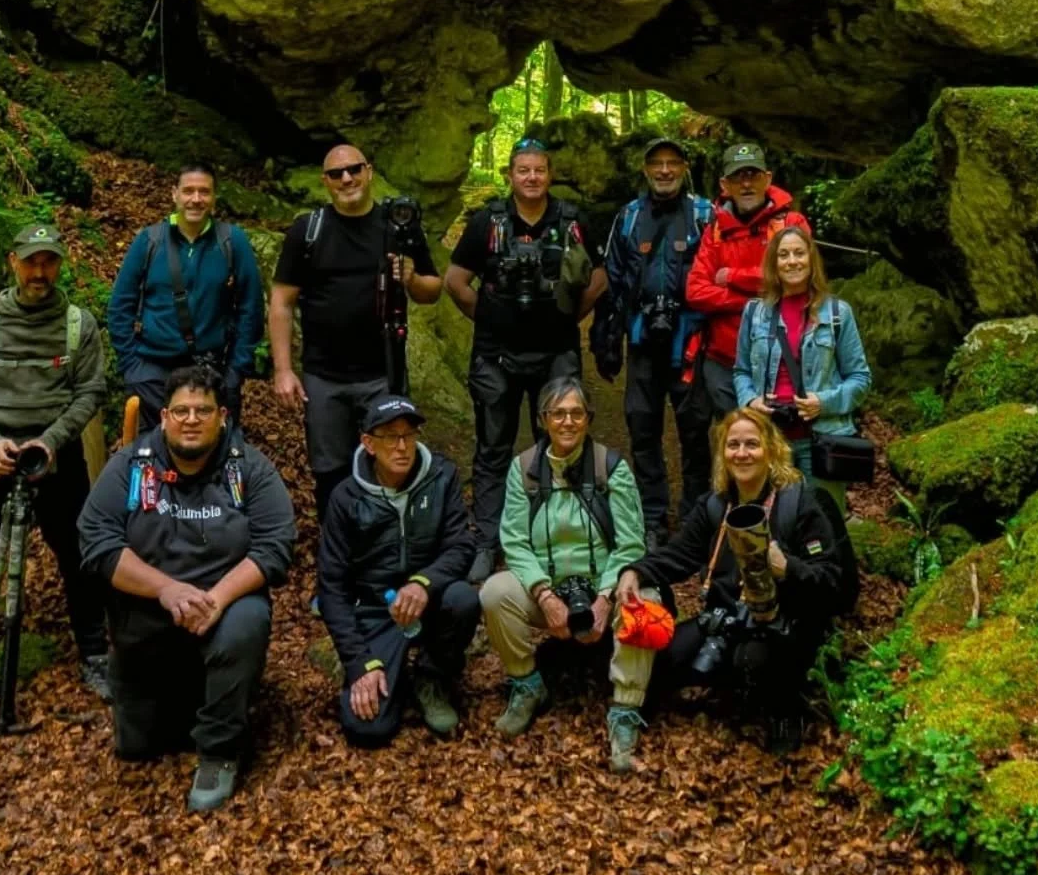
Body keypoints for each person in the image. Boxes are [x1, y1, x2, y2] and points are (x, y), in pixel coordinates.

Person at [77, 365, 296, 812]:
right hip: (148, 611)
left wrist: (216, 598)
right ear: (163, 417)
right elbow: (96, 540)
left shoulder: (248, 469)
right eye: (181, 411)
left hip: (223, 607)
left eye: (202, 410)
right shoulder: (131, 466)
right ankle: (182, 705)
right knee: (138, 747)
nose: (191, 419)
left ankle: (219, 750)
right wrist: (166, 590)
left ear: (222, 417)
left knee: (246, 620)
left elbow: (276, 546)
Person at [0, 223, 111, 716]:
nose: (40, 272)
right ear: (12, 262)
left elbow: (89, 393)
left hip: (56, 457)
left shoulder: (79, 326)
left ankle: (96, 652)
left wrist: (53, 440)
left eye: (49, 261)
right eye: (31, 261)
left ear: (59, 265)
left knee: (80, 554)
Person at [619, 404, 853, 732]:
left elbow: (833, 580)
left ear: (771, 450)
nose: (742, 454)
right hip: (726, 617)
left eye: (752, 444)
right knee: (668, 658)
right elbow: (678, 555)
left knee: (752, 664)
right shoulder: (716, 505)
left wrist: (787, 568)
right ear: (723, 453)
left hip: (785, 622)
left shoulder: (798, 503)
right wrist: (635, 571)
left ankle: (782, 716)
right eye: (733, 445)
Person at [445, 138, 605, 582]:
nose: (532, 177)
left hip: (555, 352)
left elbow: (599, 278)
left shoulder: (571, 220)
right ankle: (486, 540)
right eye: (523, 170)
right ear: (510, 175)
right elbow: (456, 281)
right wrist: (491, 318)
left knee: (560, 445)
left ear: (549, 174)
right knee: (494, 448)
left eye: (539, 170)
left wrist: (569, 316)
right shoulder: (488, 222)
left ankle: (554, 535)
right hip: (497, 354)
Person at [479, 378, 656, 774]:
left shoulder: (611, 467)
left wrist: (605, 597)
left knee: (648, 602)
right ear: (543, 420)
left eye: (577, 413)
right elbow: (515, 542)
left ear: (588, 419)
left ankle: (626, 710)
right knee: (494, 592)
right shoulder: (523, 470)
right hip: (547, 589)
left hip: (602, 587)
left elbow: (631, 544)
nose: (568, 422)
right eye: (558, 413)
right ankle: (526, 684)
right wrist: (545, 595)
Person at [269, 143, 442, 521]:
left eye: (354, 170)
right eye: (336, 173)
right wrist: (283, 369)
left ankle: (384, 540)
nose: (346, 178)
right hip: (323, 376)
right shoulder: (308, 231)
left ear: (368, 171)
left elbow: (433, 290)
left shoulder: (398, 225)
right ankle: (337, 544)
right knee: (329, 468)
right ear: (325, 182)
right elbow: (281, 301)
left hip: (383, 374)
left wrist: (411, 279)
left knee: (389, 462)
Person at [316, 393, 479, 747]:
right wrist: (359, 664)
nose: (402, 446)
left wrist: (424, 582)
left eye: (409, 434)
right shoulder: (346, 498)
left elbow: (461, 546)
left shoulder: (441, 477)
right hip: (376, 609)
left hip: (429, 601)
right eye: (391, 436)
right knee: (367, 729)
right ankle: (390, 672)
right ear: (369, 444)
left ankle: (431, 678)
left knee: (463, 598)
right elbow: (332, 588)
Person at [598, 136, 714, 549]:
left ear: (684, 168)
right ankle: (652, 518)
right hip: (643, 340)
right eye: (656, 164)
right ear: (645, 170)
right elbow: (611, 281)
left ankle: (696, 519)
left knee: (695, 432)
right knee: (643, 429)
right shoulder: (629, 217)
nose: (664, 171)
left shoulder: (704, 214)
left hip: (690, 341)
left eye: (673, 163)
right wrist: (607, 341)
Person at [107, 162, 264, 427]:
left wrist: (236, 370)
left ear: (214, 197)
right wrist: (132, 366)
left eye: (204, 192)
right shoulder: (150, 241)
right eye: (188, 191)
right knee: (152, 455)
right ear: (174, 194)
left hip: (211, 371)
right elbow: (120, 305)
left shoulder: (231, 242)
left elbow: (251, 307)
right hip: (153, 372)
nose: (196, 199)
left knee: (213, 455)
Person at [734, 226, 870, 513]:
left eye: (799, 253)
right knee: (772, 523)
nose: (792, 261)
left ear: (811, 260)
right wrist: (751, 401)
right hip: (770, 441)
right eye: (783, 255)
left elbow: (860, 378)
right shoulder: (755, 313)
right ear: (774, 263)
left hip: (821, 438)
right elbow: (741, 371)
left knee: (825, 523)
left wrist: (824, 402)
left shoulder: (837, 313)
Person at [685, 142, 809, 424]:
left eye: (753, 175)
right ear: (724, 185)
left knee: (780, 448)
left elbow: (795, 278)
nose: (747, 184)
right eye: (738, 177)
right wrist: (753, 302)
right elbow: (696, 291)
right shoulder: (716, 230)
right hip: (724, 361)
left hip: (783, 362)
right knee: (736, 443)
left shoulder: (791, 223)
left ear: (768, 178)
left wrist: (731, 277)